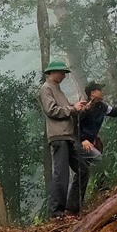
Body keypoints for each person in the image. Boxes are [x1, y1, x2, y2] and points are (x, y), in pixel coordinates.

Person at [39, 60, 90, 219]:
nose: (63, 76)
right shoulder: (46, 88)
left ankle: (72, 208)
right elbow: (52, 110)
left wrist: (79, 107)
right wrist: (72, 108)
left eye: (64, 73)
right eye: (61, 72)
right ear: (52, 73)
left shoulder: (58, 89)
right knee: (61, 174)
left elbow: (68, 110)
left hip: (68, 136)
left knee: (83, 169)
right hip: (58, 136)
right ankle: (56, 212)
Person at [78, 81, 117, 166]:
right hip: (79, 142)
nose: (102, 92)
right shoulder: (84, 106)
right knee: (96, 158)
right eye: (100, 90)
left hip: (89, 143)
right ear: (93, 93)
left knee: (84, 168)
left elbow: (115, 112)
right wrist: (82, 140)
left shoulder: (101, 106)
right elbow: (75, 124)